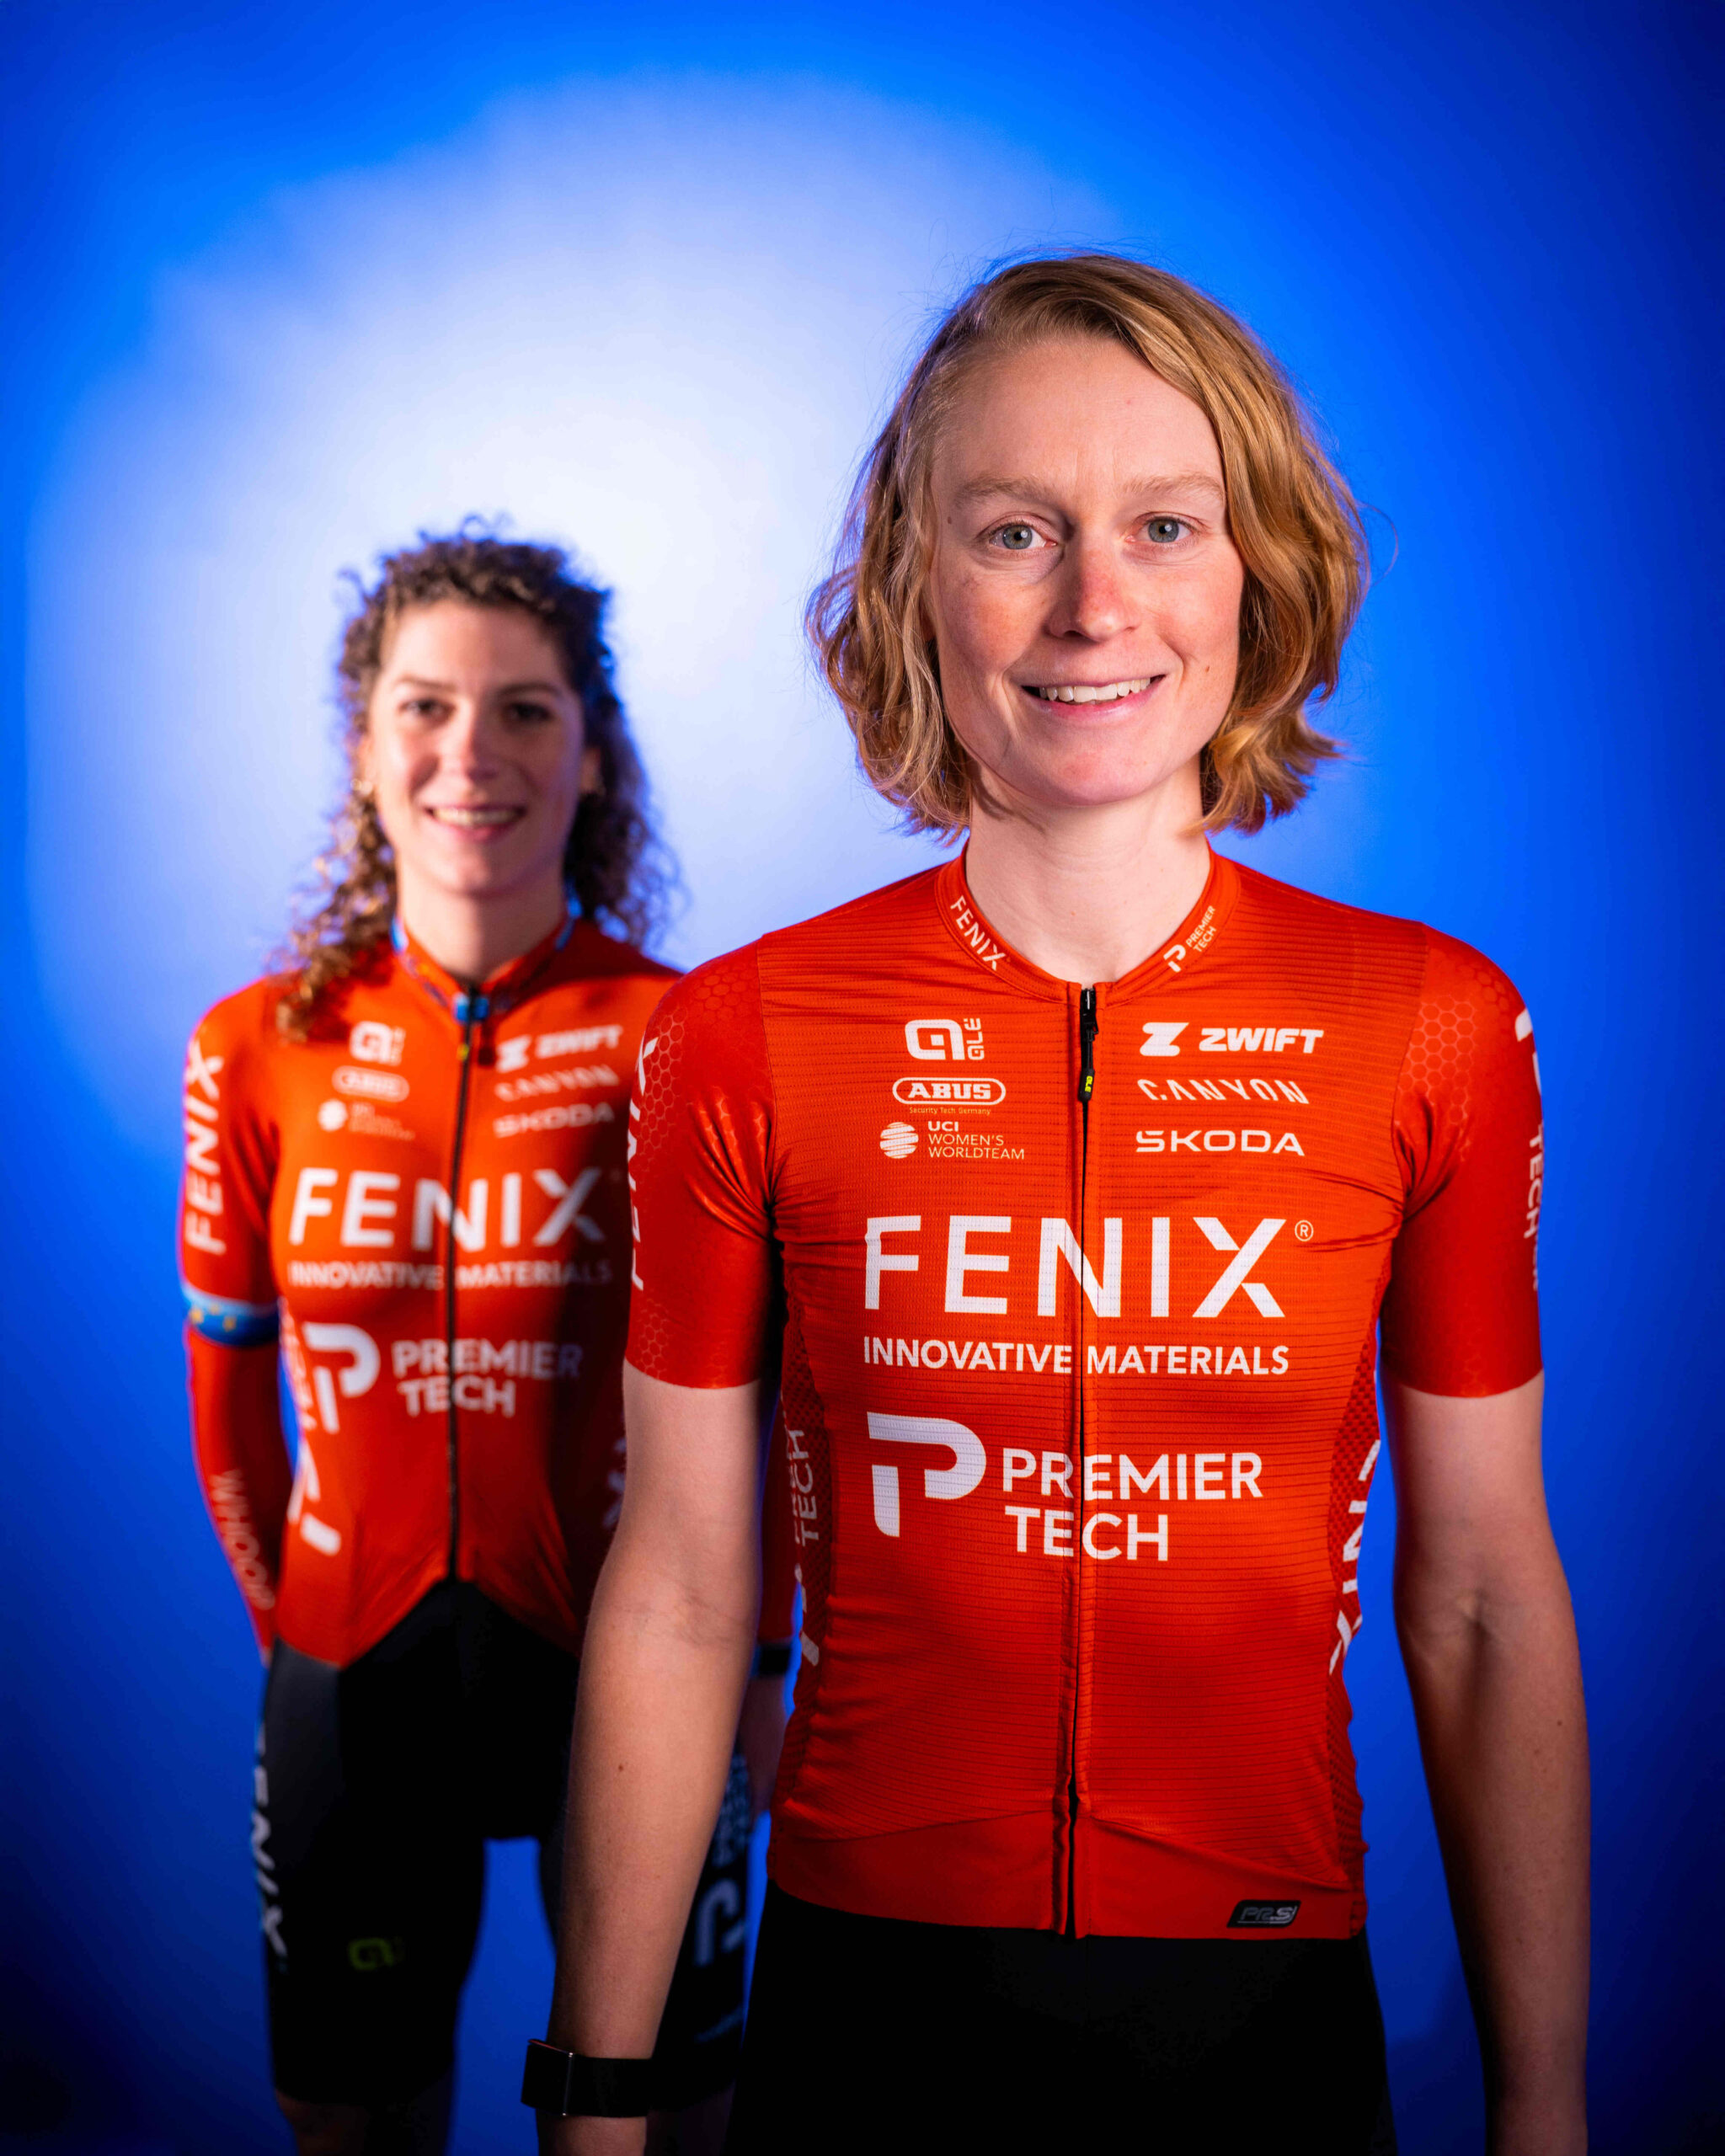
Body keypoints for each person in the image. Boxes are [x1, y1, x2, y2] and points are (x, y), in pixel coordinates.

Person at [530, 257, 1589, 2155]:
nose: (1094, 604)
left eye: (1162, 525)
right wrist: (597, 2097)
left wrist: (1543, 2102)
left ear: (1252, 571)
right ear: (910, 587)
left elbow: (1485, 1594)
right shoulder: (743, 1033)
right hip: (869, 2000)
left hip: (1260, 2001)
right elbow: (684, 1590)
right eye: (1015, 530)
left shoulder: (1431, 1024)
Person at [179, 531, 792, 2156]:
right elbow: (229, 1399)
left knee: (665, 2127)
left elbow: (771, 1406)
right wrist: (293, 1630)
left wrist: (770, 1661)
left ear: (594, 755)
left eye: (526, 712)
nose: (472, 756)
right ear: (367, 747)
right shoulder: (255, 1054)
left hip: (635, 1676)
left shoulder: (687, 1038)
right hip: (351, 1674)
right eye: (425, 707)